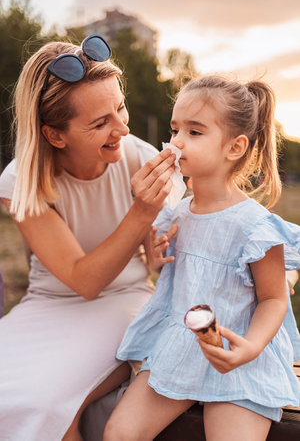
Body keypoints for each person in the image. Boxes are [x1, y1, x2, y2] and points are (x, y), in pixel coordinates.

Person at [103, 75, 300, 441]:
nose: (176, 142)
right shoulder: (175, 212)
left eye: (195, 132)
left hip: (239, 356)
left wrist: (252, 347)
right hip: (181, 347)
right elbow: (169, 274)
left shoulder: (255, 227)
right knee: (119, 433)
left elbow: (274, 299)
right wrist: (155, 258)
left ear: (235, 147)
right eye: (175, 129)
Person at [0, 34, 177, 441]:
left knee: (42, 406)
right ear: (55, 135)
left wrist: (161, 246)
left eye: (120, 107)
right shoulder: (20, 182)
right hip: (47, 306)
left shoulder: (137, 154)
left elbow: (188, 228)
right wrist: (141, 213)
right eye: (100, 123)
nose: (122, 127)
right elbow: (83, 279)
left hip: (125, 302)